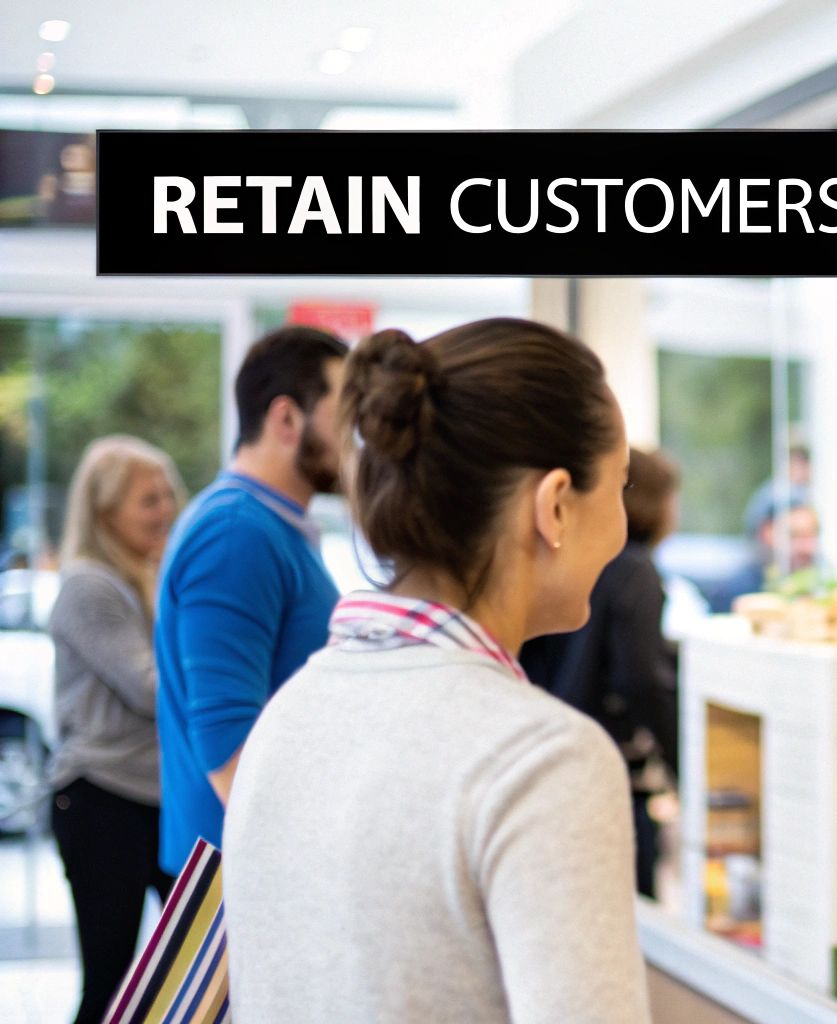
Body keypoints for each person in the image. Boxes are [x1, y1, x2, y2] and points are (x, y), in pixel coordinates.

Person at [223, 319, 650, 1022]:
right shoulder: (543, 763)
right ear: (555, 506)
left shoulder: (288, 716)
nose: (623, 525)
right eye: (620, 486)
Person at [154, 325, 346, 875]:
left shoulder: (263, 526)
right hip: (243, 880)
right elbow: (228, 751)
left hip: (253, 869)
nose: (359, 437)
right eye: (347, 414)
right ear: (287, 419)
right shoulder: (237, 533)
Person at [46, 436, 183, 1024]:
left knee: (181, 973)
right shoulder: (90, 587)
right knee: (110, 983)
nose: (166, 510)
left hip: (147, 801)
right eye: (148, 500)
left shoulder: (140, 581)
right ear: (105, 515)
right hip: (103, 801)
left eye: (168, 495)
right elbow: (150, 689)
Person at [521, 446, 681, 899]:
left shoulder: (567, 563)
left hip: (551, 764)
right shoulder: (636, 570)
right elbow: (642, 678)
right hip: (610, 775)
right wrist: (680, 761)